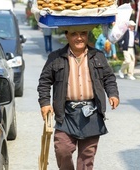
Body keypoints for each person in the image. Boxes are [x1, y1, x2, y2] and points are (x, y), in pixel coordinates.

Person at [37, 25, 119, 170]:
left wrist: (113, 94)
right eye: (74, 34)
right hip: (66, 113)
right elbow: (44, 81)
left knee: (87, 156)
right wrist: (45, 103)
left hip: (91, 113)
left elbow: (109, 78)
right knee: (62, 149)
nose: (79, 38)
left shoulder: (98, 56)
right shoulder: (56, 57)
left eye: (83, 33)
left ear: (87, 36)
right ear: (67, 35)